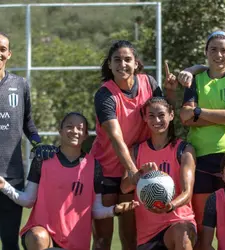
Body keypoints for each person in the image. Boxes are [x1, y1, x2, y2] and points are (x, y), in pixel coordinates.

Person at [0, 112, 140, 250]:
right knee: (38, 237)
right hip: (43, 235)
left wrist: (114, 210)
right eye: (69, 126)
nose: (74, 131)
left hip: (76, 242)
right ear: (60, 131)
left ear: (85, 135)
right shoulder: (43, 159)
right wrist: (4, 185)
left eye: (80, 128)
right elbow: (28, 200)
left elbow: (95, 210)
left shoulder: (94, 166)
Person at [90, 40, 177, 249]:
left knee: (132, 239)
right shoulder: (105, 94)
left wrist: (171, 92)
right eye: (117, 60)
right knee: (102, 239)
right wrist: (133, 172)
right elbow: (116, 137)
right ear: (109, 64)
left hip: (138, 169)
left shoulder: (149, 83)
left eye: (127, 59)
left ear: (136, 63)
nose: (122, 64)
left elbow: (164, 116)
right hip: (107, 170)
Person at [179, 31, 225, 237]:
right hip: (201, 157)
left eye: (224, 50)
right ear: (206, 52)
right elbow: (184, 116)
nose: (218, 55)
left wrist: (199, 112)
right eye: (213, 49)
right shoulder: (195, 80)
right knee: (203, 224)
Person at [0, 32, 57, 250]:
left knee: (9, 243)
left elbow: (28, 123)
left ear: (9, 54)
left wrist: (38, 144)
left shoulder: (20, 85)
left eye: (2, 49)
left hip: (11, 179)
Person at [121, 97, 197, 250]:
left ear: (171, 115)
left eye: (161, 115)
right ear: (144, 118)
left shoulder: (184, 149)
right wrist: (140, 172)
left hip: (178, 221)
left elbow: (187, 192)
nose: (157, 120)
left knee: (181, 232)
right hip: (147, 232)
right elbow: (124, 188)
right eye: (151, 115)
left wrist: (170, 206)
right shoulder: (136, 151)